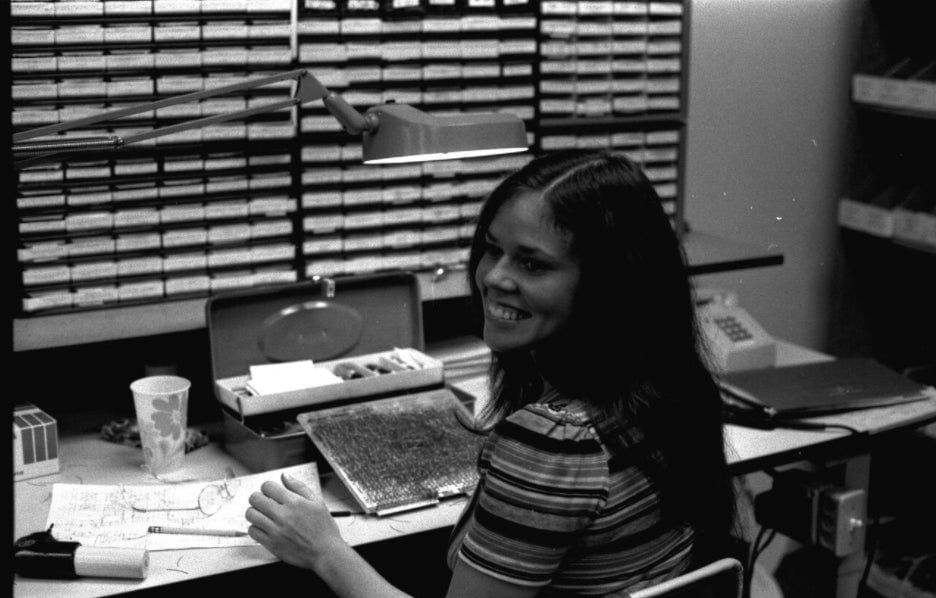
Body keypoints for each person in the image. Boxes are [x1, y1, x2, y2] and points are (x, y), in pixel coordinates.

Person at [245, 149, 739, 597]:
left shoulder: (555, 441)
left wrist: (324, 551)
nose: (495, 277)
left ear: (607, 286)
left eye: (533, 264)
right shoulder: (671, 389)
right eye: (492, 248)